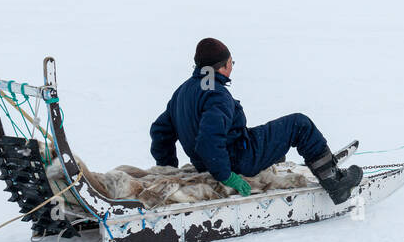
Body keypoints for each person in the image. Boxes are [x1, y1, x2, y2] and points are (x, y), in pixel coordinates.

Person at [149, 38, 362, 204]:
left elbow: (160, 132)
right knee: (299, 124)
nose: (232, 67)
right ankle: (335, 183)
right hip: (237, 161)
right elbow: (208, 141)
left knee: (267, 137)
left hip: (211, 161)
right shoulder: (216, 95)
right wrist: (226, 176)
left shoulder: (184, 91)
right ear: (222, 66)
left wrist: (168, 167)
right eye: (232, 62)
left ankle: (278, 162)